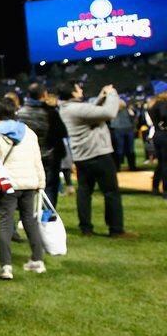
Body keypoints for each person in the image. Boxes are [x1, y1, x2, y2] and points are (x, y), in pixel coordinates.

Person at [0, 98, 46, 280]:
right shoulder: (29, 132)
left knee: (6, 222)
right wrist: (41, 182)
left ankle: (6, 267)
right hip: (29, 182)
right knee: (29, 221)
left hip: (8, 184)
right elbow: (37, 159)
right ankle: (38, 260)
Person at [57, 81, 134, 237]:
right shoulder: (77, 108)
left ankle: (86, 228)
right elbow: (109, 113)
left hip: (81, 156)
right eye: (78, 88)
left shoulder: (66, 108)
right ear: (73, 93)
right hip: (97, 154)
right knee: (111, 192)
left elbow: (91, 109)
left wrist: (101, 96)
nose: (81, 90)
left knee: (84, 192)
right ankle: (116, 229)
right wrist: (111, 93)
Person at [16, 82, 68, 208]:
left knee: (30, 188)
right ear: (44, 94)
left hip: (28, 155)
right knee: (49, 187)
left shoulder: (20, 113)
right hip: (49, 154)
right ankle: (47, 217)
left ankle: (28, 217)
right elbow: (62, 132)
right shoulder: (50, 112)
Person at [148, 91, 167, 199]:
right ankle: (165, 190)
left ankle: (155, 187)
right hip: (164, 134)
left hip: (158, 134)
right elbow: (164, 115)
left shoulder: (153, 103)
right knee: (165, 164)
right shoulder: (162, 104)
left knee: (161, 164)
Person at [110, 99, 137, 171]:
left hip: (125, 129)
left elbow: (134, 116)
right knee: (121, 149)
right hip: (121, 129)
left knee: (126, 149)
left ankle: (129, 166)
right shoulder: (114, 110)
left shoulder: (127, 109)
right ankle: (123, 167)